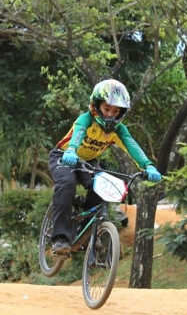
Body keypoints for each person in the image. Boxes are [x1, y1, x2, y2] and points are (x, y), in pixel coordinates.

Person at [49, 79, 162, 254]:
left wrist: (148, 166)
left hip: (88, 161)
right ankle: (60, 238)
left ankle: (84, 233)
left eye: (116, 111)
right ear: (96, 105)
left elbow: (131, 145)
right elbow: (78, 132)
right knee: (67, 183)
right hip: (64, 156)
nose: (111, 114)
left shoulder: (118, 129)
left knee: (102, 186)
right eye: (107, 109)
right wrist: (71, 150)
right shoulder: (86, 119)